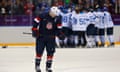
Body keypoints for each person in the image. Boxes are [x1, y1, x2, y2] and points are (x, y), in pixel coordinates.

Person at [31, 6, 65, 72]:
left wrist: (60, 34)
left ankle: (48, 67)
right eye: (54, 14)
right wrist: (34, 30)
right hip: (41, 37)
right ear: (51, 12)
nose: (55, 15)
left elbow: (59, 29)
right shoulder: (42, 15)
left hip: (51, 38)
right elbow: (35, 23)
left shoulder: (58, 18)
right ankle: (37, 66)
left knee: (50, 53)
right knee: (39, 52)